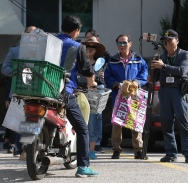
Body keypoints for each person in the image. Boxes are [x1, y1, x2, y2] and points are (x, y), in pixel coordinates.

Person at [57, 15, 98, 177]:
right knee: (82, 128)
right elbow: (87, 70)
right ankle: (83, 167)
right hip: (63, 92)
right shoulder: (77, 46)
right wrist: (92, 82)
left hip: (41, 90)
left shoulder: (50, 42)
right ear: (76, 31)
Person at [104, 34, 148, 159]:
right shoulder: (112, 60)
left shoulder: (138, 59)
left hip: (134, 95)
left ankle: (138, 150)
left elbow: (144, 72)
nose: (122, 45)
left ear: (130, 43)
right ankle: (116, 149)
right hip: (118, 95)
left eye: (124, 43)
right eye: (119, 43)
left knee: (135, 121)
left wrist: (137, 82)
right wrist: (117, 84)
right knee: (117, 123)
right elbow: (107, 76)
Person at [151, 29, 188, 163]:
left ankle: (187, 153)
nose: (167, 44)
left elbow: (182, 71)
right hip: (165, 91)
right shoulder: (161, 57)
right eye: (165, 41)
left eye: (170, 40)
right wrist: (153, 70)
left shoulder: (184, 55)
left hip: (178, 91)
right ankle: (171, 153)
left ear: (177, 41)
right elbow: (155, 77)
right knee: (166, 123)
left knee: (184, 123)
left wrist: (164, 66)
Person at [1, 26, 36, 157]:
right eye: (29, 34)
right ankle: (19, 148)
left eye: (35, 34)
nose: (32, 36)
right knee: (19, 121)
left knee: (32, 120)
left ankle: (30, 148)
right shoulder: (14, 51)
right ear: (24, 36)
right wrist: (18, 75)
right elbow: (4, 69)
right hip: (18, 91)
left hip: (36, 92)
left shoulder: (42, 52)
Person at [81, 37, 106, 159]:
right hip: (80, 92)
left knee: (92, 121)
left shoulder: (99, 62)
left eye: (93, 47)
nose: (90, 49)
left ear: (97, 50)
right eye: (88, 46)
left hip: (94, 94)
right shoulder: (79, 61)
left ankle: (91, 149)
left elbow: (99, 80)